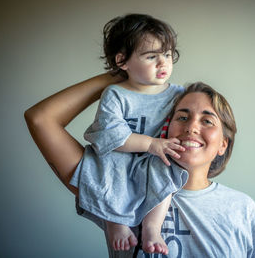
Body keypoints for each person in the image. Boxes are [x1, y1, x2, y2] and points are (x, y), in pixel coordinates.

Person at [25, 77, 255, 257]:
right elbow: (40, 119)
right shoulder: (118, 188)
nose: (192, 127)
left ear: (223, 145)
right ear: (164, 130)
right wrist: (127, 75)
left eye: (207, 120)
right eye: (182, 117)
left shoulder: (242, 208)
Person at [66, 14, 189, 255]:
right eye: (151, 56)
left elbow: (185, 123)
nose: (163, 63)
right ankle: (115, 222)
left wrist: (160, 147)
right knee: (101, 169)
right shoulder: (116, 94)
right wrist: (151, 143)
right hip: (119, 156)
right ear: (122, 61)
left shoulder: (177, 94)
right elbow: (110, 134)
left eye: (167, 55)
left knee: (167, 170)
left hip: (155, 159)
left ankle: (153, 227)